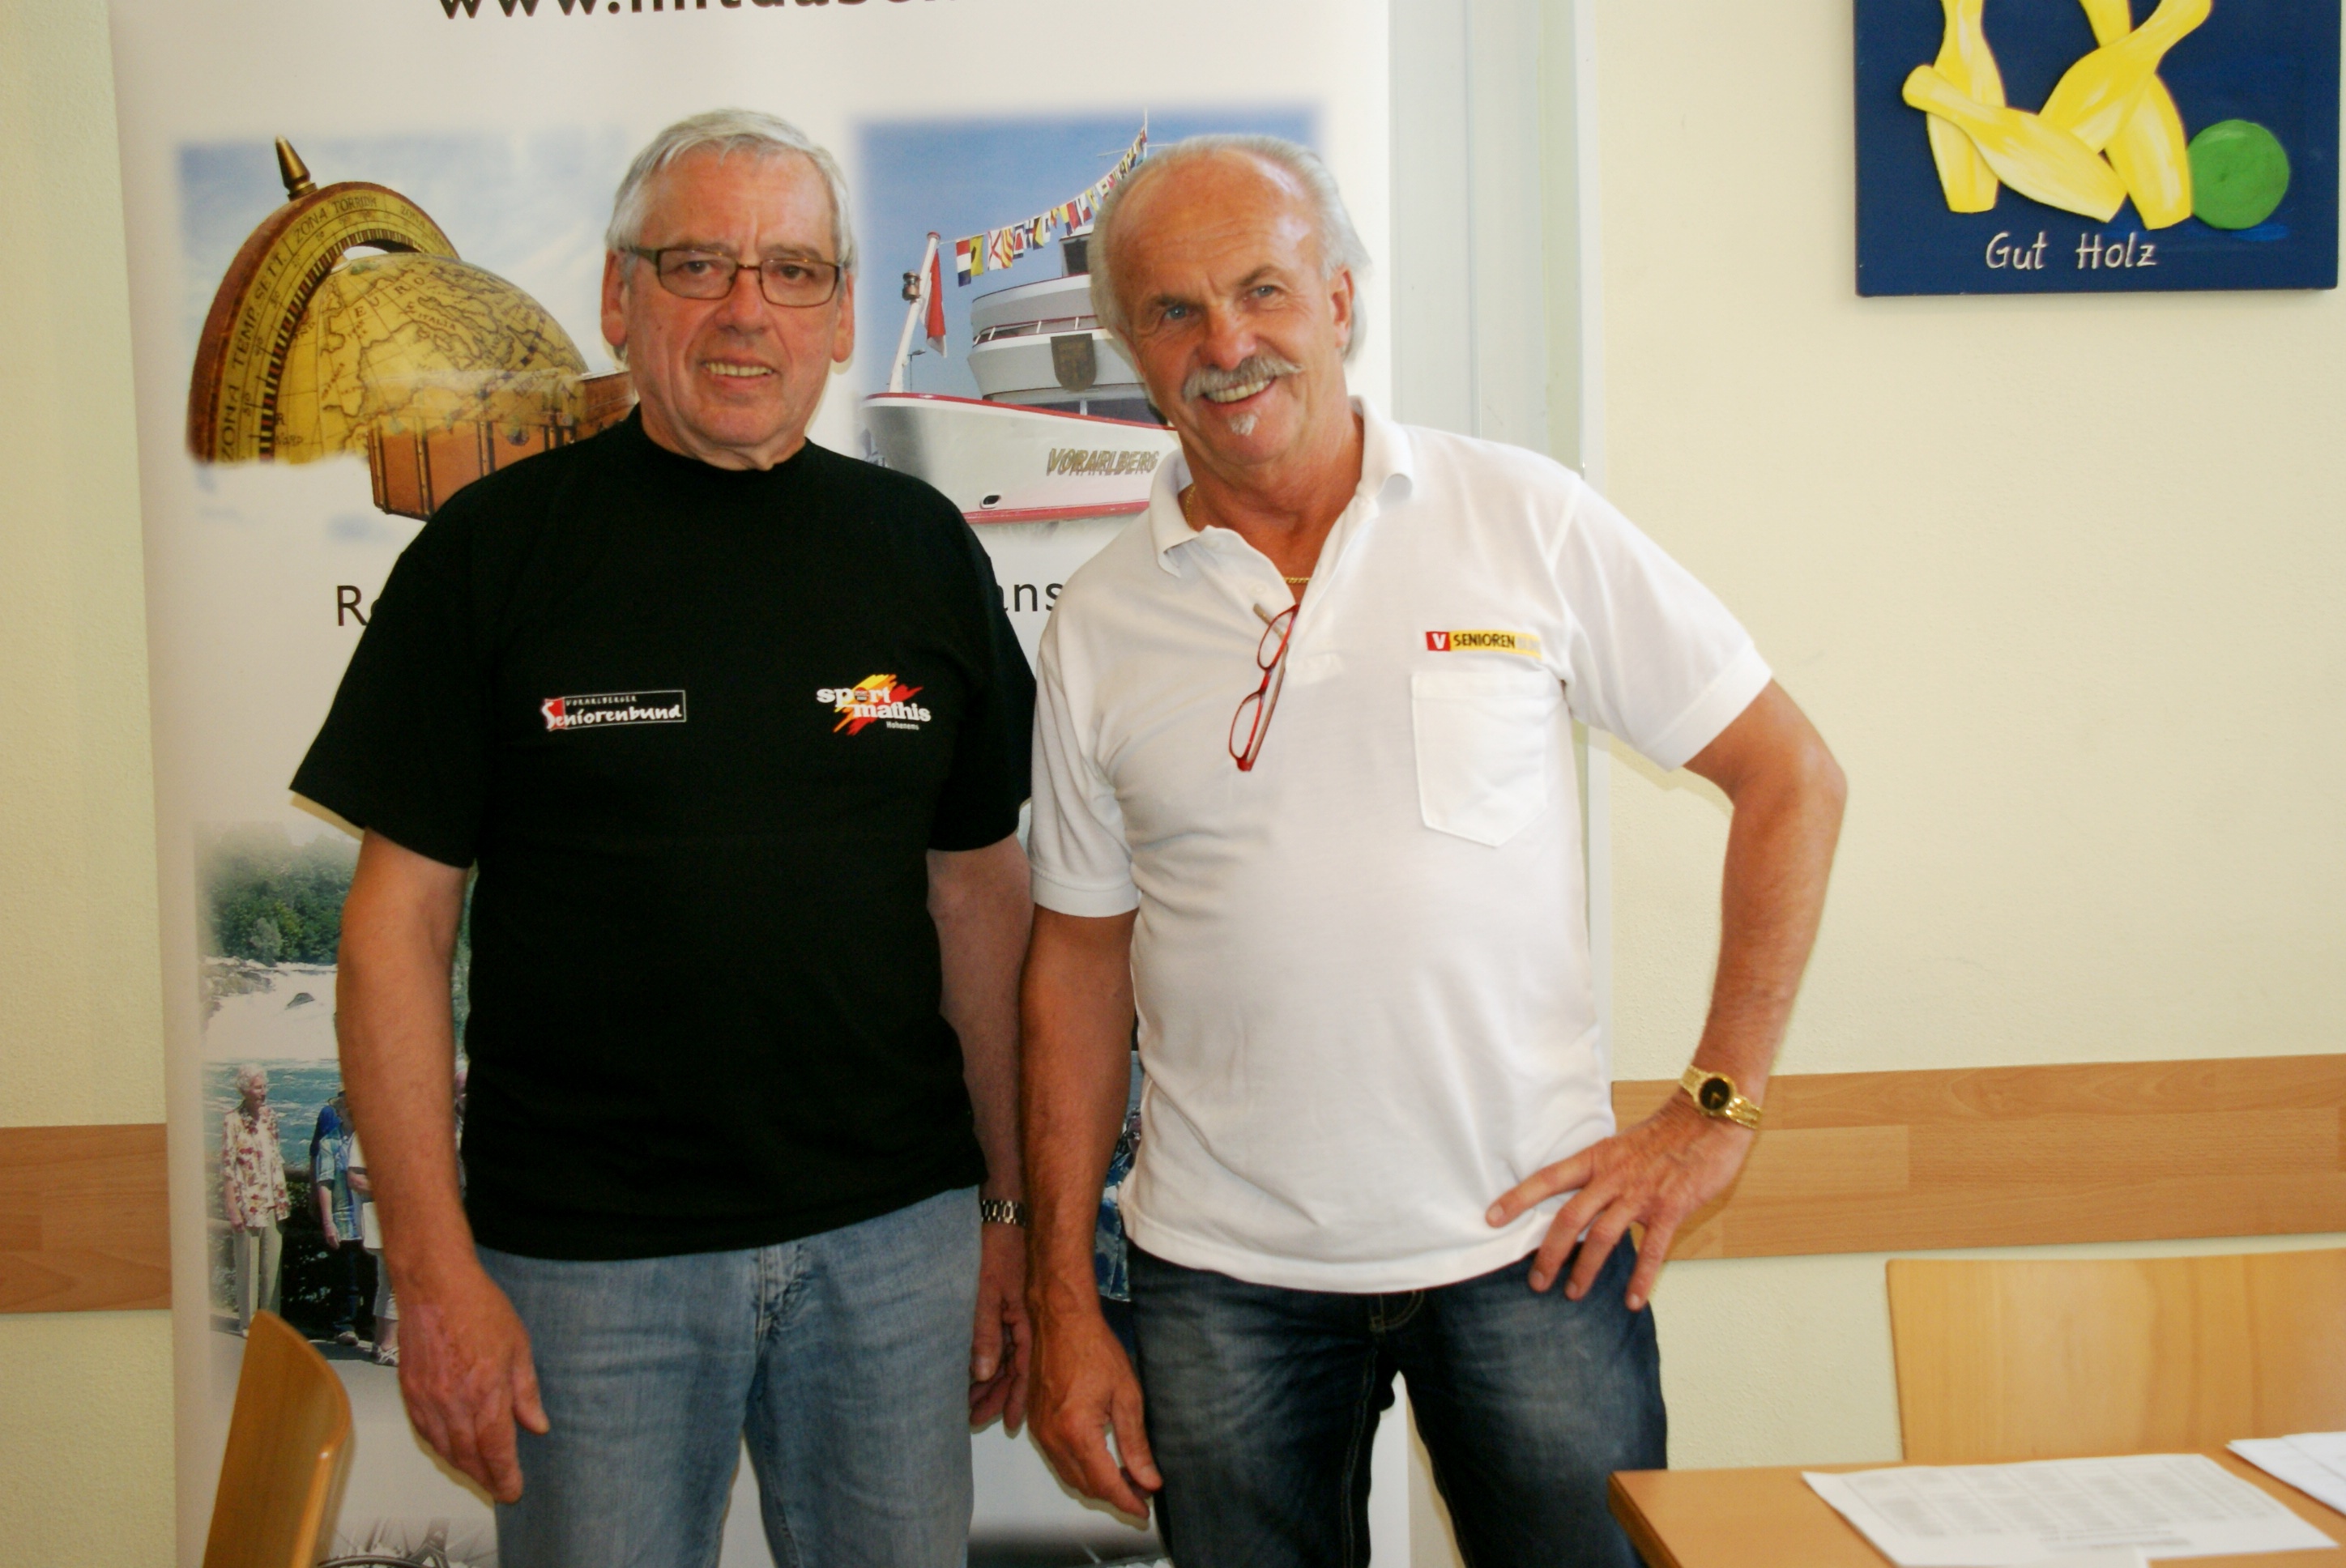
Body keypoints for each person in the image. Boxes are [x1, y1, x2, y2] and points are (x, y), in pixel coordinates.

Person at [1020, 135, 1847, 1568]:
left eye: (1263, 290)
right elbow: (1077, 969)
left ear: (1341, 301)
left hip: (1536, 1249)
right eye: (1173, 312)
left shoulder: (1522, 517)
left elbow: (1792, 777)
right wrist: (1063, 1300)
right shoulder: (1099, 621)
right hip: (1220, 1280)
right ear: (1134, 353)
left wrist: (1715, 1106)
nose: (1226, 344)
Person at [293, 109, 1037, 1568]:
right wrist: (431, 1273)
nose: (747, 309)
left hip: (894, 1245)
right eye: (699, 264)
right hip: (584, 1270)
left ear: (841, 314)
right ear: (620, 298)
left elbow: (979, 901)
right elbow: (394, 929)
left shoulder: (923, 549)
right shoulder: (489, 555)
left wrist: (1006, 1209)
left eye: (792, 270)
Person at [220, 1063, 288, 1335]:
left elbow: (275, 1157)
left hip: (274, 1202)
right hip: (247, 1202)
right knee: (247, 1265)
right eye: (258, 1088)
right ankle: (247, 1323)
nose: (264, 1092)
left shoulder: (271, 1117)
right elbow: (227, 1167)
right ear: (245, 1090)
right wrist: (232, 1207)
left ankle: (271, 1323)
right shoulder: (232, 1120)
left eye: (264, 1087)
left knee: (273, 1268)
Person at [309, 1087, 364, 1346]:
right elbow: (325, 1183)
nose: (350, 1110)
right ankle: (344, 1326)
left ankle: (369, 1324)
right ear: (338, 1112)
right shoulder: (329, 1142)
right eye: (345, 1107)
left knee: (372, 1276)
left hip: (370, 1219)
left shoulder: (371, 1139)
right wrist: (328, 1222)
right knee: (347, 1278)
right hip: (344, 1219)